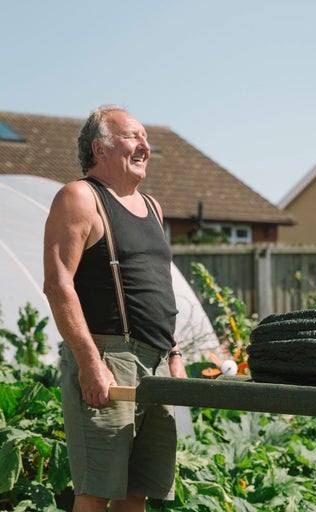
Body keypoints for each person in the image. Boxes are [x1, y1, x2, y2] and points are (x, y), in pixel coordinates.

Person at [43, 105, 187, 512]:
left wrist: (174, 354)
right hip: (109, 358)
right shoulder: (80, 197)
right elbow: (57, 285)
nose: (145, 145)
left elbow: (155, 289)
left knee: (136, 491)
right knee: (96, 491)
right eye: (132, 136)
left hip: (157, 362)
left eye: (145, 138)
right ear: (99, 148)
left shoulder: (153, 208)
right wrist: (90, 362)